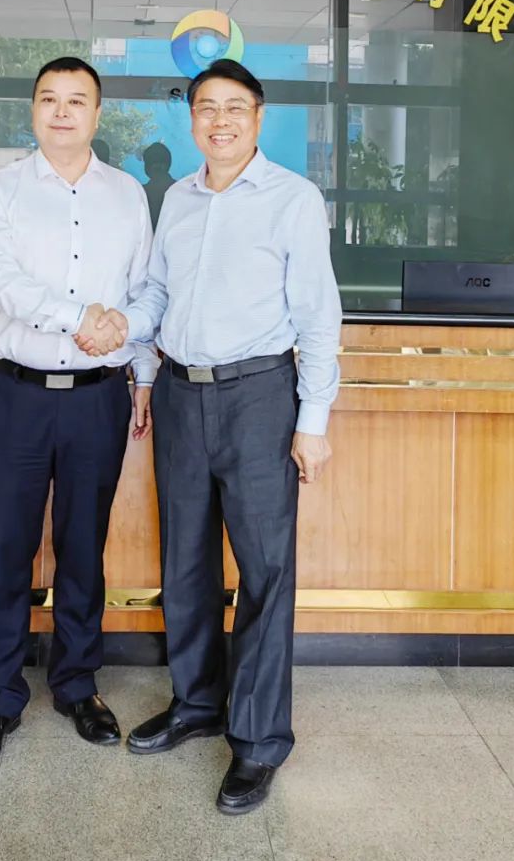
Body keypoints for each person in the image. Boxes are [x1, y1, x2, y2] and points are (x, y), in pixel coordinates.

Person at [77, 58, 341, 815]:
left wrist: (312, 422)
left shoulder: (292, 198)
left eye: (234, 108)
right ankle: (196, 703)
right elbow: (159, 292)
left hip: (260, 396)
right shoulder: (179, 199)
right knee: (185, 561)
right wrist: (127, 333)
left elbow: (318, 316)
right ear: (191, 119)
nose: (219, 121)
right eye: (206, 108)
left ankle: (257, 741)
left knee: (264, 571)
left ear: (258, 118)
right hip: (181, 396)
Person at [0, 56, 157, 769]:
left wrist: (139, 367)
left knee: (82, 549)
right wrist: (82, 319)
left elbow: (145, 289)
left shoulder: (128, 195)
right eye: (50, 99)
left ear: (98, 114)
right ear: (33, 111)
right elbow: (0, 280)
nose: (63, 111)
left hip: (98, 398)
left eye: (77, 100)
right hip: (15, 396)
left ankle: (77, 685)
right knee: (5, 549)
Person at [140, 141, 174, 226]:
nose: (156, 165)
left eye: (159, 161)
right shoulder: (183, 191)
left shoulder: (139, 193)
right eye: (152, 161)